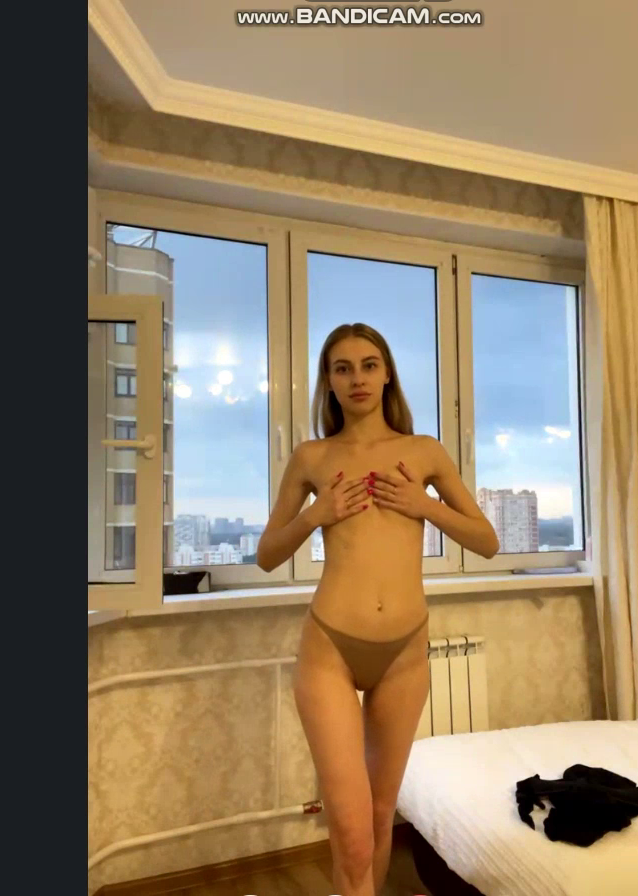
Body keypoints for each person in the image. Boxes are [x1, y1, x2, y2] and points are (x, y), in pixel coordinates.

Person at [256, 322, 499, 896]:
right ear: (329, 381)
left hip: (405, 653)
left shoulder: (424, 452)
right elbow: (267, 555)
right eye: (342, 368)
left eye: (368, 365)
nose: (357, 378)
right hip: (331, 650)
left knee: (381, 811)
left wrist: (424, 504)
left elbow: (486, 541)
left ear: (387, 373)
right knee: (351, 830)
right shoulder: (312, 457)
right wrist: (315, 515)